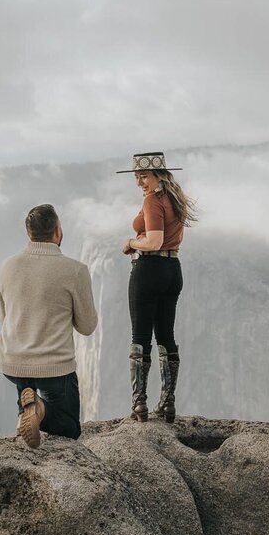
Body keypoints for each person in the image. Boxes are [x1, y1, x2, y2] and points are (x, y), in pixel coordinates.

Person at [0, 203, 98, 448]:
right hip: (54, 366)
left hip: (12, 362)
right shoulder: (75, 270)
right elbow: (87, 326)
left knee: (25, 378)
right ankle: (39, 409)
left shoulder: (7, 266)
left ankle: (27, 406)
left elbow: (5, 317)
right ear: (57, 231)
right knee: (70, 428)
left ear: (29, 233)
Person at [116, 152, 198, 423]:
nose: (139, 181)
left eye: (143, 176)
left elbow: (153, 241)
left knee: (140, 337)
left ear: (157, 175)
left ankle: (139, 404)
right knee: (166, 335)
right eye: (137, 176)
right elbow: (171, 238)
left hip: (149, 270)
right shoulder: (175, 199)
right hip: (173, 270)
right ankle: (168, 402)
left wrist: (130, 243)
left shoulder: (152, 201)